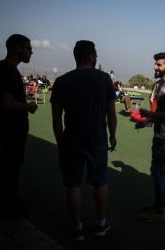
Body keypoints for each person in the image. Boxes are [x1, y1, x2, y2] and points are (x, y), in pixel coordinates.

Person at [50, 40, 117, 241]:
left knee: (73, 184)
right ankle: (101, 223)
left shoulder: (62, 81)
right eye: (95, 55)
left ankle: (77, 228)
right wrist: (112, 136)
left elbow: (56, 118)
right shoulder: (104, 79)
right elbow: (111, 113)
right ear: (90, 56)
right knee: (100, 183)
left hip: (71, 140)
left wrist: (60, 140)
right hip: (97, 140)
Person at [0, 34, 38, 219]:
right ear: (17, 48)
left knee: (10, 165)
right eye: (28, 48)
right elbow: (6, 104)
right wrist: (28, 106)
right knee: (10, 166)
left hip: (9, 128)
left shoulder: (5, 68)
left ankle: (7, 201)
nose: (31, 52)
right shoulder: (7, 70)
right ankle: (6, 206)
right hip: (11, 129)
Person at [139, 52, 165, 222]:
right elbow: (161, 113)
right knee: (158, 171)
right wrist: (147, 121)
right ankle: (159, 204)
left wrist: (150, 114)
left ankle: (161, 209)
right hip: (160, 135)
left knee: (159, 172)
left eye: (158, 65)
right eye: (155, 64)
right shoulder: (161, 85)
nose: (155, 67)